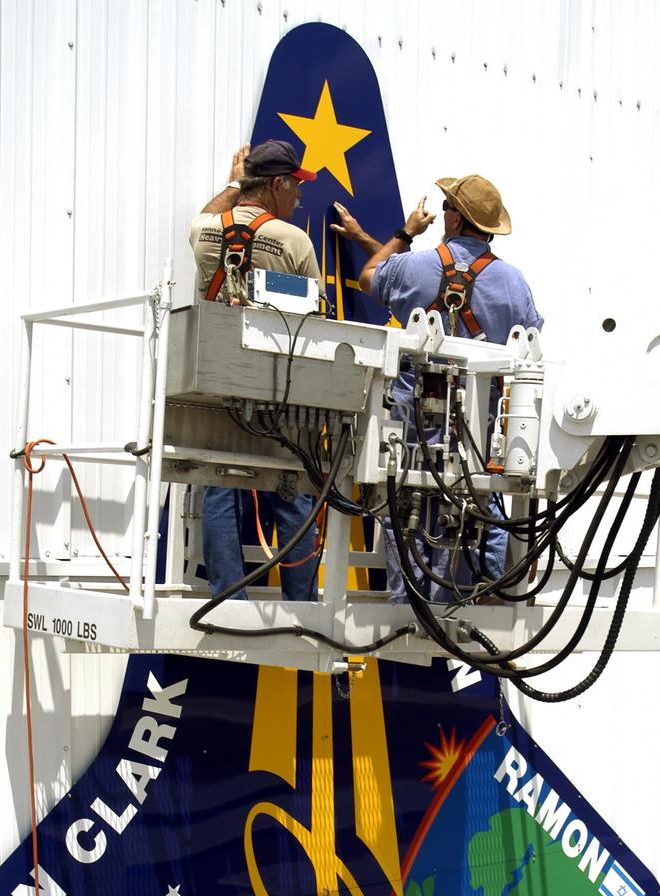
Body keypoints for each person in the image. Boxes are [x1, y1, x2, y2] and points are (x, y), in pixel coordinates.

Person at [331, 175, 543, 603]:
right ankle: (478, 594)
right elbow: (530, 346)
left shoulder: (416, 265)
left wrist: (405, 233)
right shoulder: (514, 284)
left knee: (404, 510)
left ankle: (406, 605)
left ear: (454, 217)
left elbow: (373, 276)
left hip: (411, 427)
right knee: (480, 508)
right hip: (476, 437)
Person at [189, 141, 322, 602]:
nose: (298, 199)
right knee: (292, 486)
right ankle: (301, 599)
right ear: (277, 184)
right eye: (295, 188)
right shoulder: (293, 241)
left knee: (219, 484)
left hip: (215, 378)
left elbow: (206, 217)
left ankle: (228, 593)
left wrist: (233, 184)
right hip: (276, 385)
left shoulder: (205, 231)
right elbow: (314, 320)